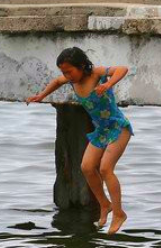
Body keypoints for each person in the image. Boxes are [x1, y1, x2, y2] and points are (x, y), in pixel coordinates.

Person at [27, 47, 133, 234]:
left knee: (105, 168)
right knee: (86, 167)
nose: (66, 76)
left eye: (69, 71)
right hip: (101, 131)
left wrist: (108, 85)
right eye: (64, 72)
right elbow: (56, 82)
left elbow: (122, 69)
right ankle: (104, 205)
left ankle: (119, 213)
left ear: (82, 66)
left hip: (117, 127)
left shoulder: (96, 74)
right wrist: (41, 96)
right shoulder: (70, 81)